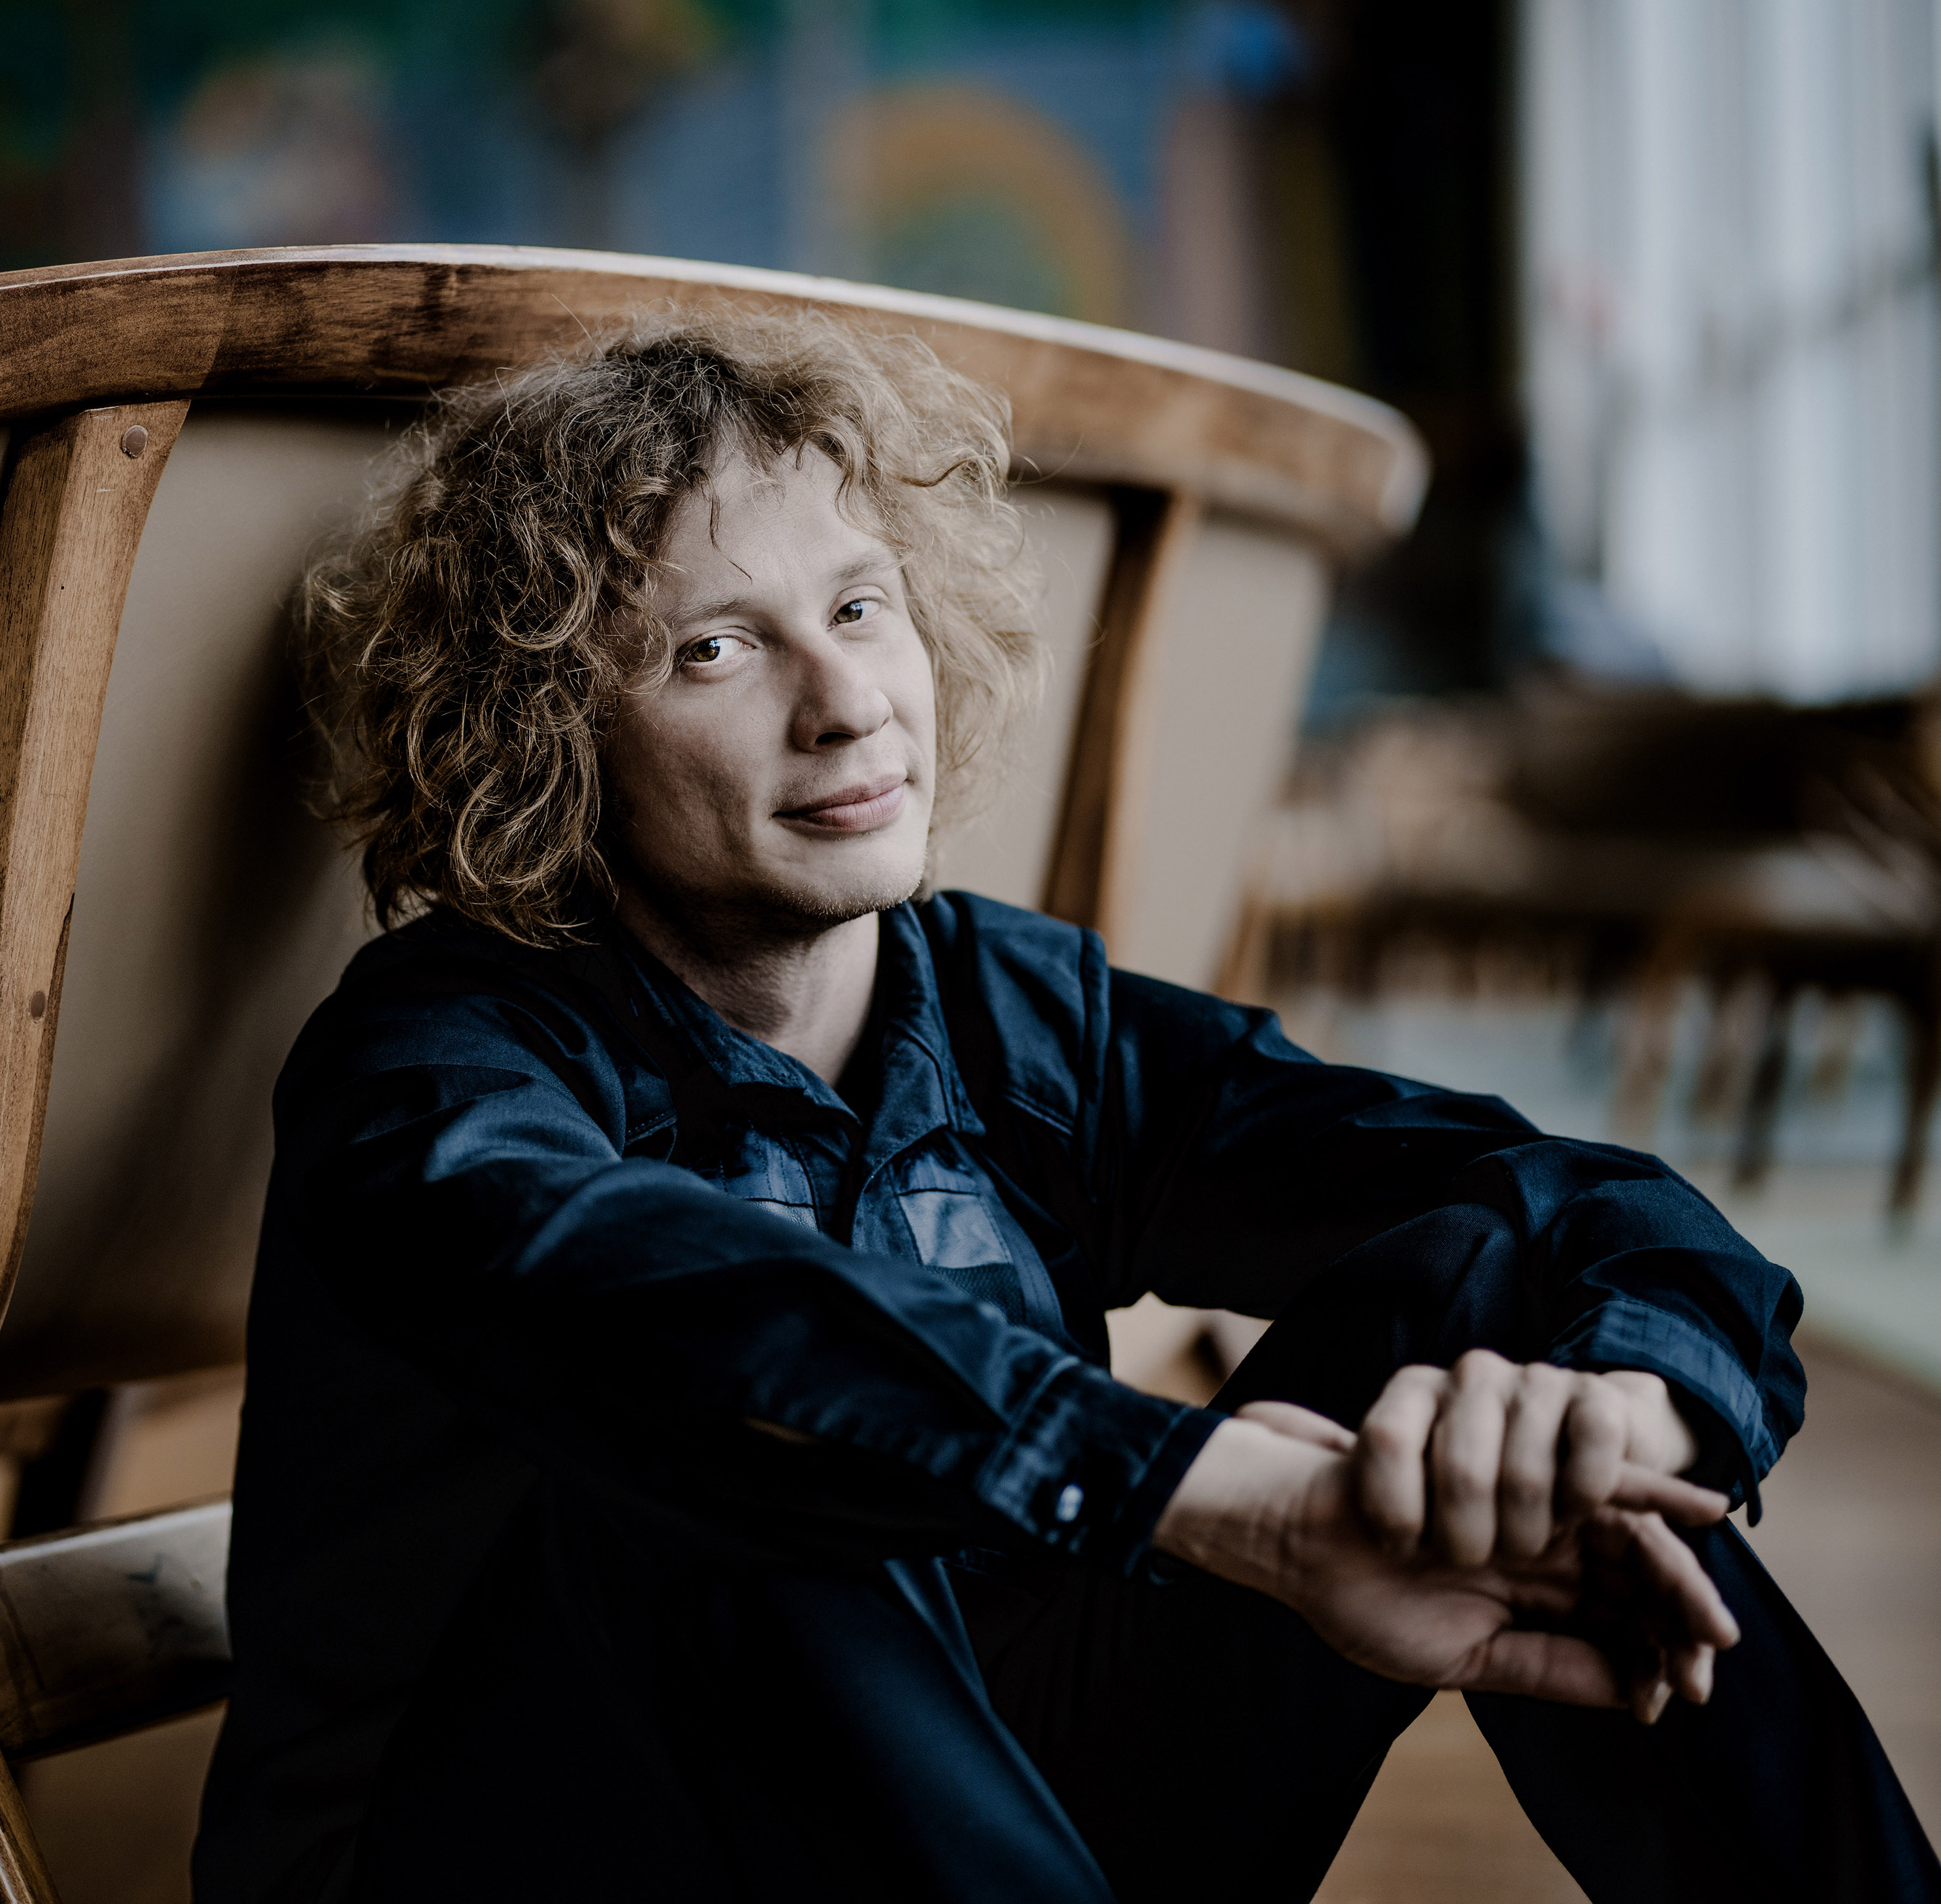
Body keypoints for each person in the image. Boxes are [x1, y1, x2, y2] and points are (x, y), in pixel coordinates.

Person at [189, 314, 1938, 1903]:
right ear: (548, 736)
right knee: (745, 1434)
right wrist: (1227, 1498)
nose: (844, 703)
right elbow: (693, 1326)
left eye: (858, 607)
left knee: (1487, 1294)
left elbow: (1570, 1198)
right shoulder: (428, 1061)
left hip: (981, 1823)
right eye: (714, 648)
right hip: (522, 1853)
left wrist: (1615, 1414)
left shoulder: (1016, 1017)